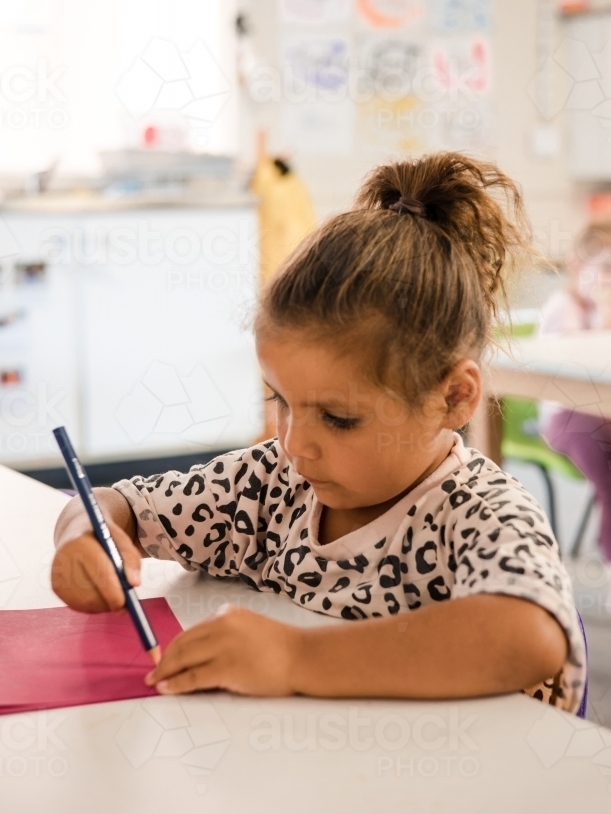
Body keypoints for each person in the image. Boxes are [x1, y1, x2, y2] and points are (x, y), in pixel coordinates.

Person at [51, 153, 585, 712]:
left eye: (339, 418)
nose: (293, 443)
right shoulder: (267, 486)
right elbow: (120, 505)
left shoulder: (479, 511)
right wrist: (85, 536)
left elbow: (529, 636)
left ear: (452, 398)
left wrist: (295, 659)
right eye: (279, 400)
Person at [540, 221, 611, 574]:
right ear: (577, 265)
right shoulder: (562, 307)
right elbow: (576, 370)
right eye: (602, 267)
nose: (606, 279)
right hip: (569, 417)